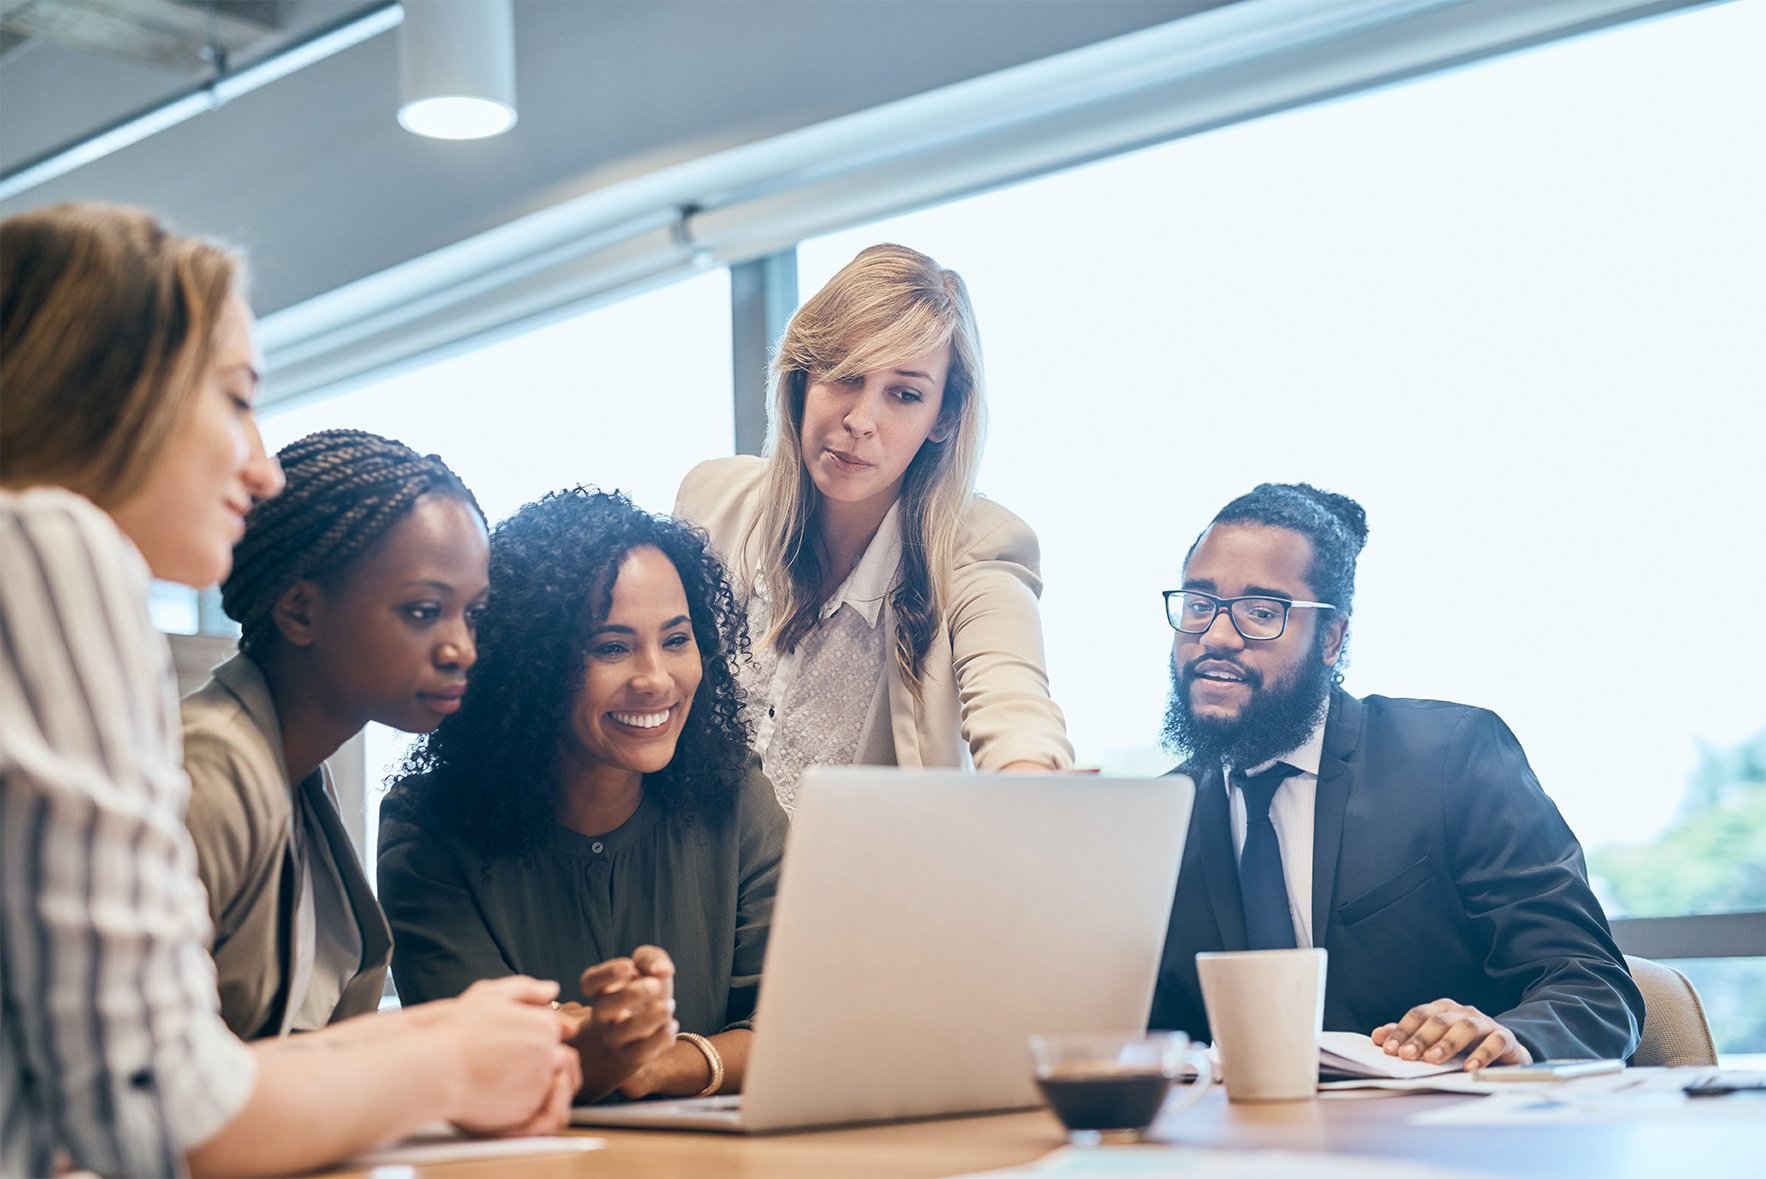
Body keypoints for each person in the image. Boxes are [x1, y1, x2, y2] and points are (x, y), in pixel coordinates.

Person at [0, 202, 583, 1178]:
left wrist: (451, 1041)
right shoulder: (49, 546)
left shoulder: (296, 780)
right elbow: (162, 1111)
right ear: (114, 391)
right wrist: (445, 1061)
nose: (262, 467)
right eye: (236, 398)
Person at [1146, 482, 1643, 1069]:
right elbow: (1141, 1029)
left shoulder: (1449, 756)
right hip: (1241, 1149)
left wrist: (1512, 1037)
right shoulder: (1158, 818)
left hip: (1452, 1142)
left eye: (1262, 613)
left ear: (1330, 638)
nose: (1218, 636)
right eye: (1200, 604)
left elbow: (1591, 987)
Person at [379, 487, 788, 1101]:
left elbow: (796, 1027)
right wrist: (606, 1048)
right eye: (611, 647)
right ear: (532, 664)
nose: (655, 678)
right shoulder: (427, 831)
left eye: (677, 640)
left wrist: (660, 1062)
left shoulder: (735, 799)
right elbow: (482, 1061)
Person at [675, 243, 1073, 812]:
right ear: (801, 378)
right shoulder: (711, 501)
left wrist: (1031, 778)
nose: (860, 422)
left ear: (945, 418)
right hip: (687, 890)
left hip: (848, 898)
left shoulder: (980, 550)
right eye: (843, 375)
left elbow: (1014, 704)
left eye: (904, 394)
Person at [180, 428, 488, 1038]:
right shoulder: (204, 775)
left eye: (471, 613)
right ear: (300, 611)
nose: (462, 649)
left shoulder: (298, 775)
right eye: (424, 611)